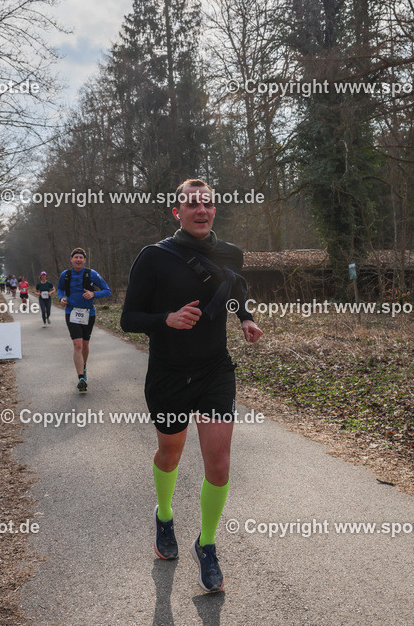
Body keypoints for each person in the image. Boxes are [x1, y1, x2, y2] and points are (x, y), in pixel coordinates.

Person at [120, 179, 262, 593]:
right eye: (192, 204)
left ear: (215, 210)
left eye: (208, 204)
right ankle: (164, 516)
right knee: (170, 453)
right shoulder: (154, 257)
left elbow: (231, 292)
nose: (201, 210)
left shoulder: (231, 253)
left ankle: (208, 543)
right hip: (168, 373)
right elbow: (129, 318)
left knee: (218, 465)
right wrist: (166, 319)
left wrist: (246, 318)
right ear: (176, 211)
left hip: (215, 371)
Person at [57, 248, 111, 392]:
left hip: (88, 313)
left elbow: (107, 290)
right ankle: (81, 377)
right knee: (78, 344)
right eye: (76, 257)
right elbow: (60, 289)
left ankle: (84, 367)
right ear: (71, 259)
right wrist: (61, 298)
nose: (79, 259)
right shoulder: (66, 275)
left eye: (81, 257)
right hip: (71, 311)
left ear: (85, 260)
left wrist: (94, 293)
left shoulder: (91, 274)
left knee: (85, 345)